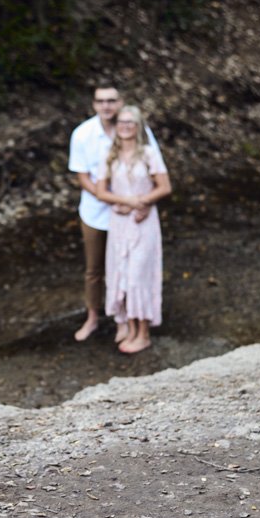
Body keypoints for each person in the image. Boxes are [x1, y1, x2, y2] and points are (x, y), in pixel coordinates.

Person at [68, 85, 164, 341]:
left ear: (120, 102)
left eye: (112, 101)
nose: (107, 106)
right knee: (95, 268)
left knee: (124, 268)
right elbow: (83, 177)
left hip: (131, 217)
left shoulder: (134, 129)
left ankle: (124, 320)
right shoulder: (82, 135)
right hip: (96, 213)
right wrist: (115, 201)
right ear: (94, 104)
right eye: (101, 101)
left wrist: (141, 204)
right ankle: (93, 318)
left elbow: (153, 174)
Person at [95, 105, 171, 354]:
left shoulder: (149, 153)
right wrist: (127, 202)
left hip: (143, 221)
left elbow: (164, 187)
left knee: (139, 274)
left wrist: (144, 202)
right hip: (119, 221)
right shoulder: (109, 153)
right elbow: (100, 190)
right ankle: (127, 325)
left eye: (131, 122)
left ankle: (143, 333)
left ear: (138, 127)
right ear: (116, 126)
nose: (126, 126)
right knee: (121, 272)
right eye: (122, 122)